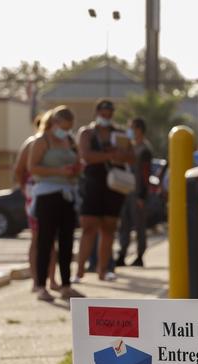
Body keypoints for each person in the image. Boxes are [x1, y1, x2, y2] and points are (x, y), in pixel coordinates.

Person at [26, 106, 83, 301]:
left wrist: (77, 168)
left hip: (68, 195)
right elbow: (32, 167)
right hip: (47, 195)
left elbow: (78, 161)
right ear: (55, 123)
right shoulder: (42, 141)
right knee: (45, 241)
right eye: (64, 126)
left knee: (67, 242)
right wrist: (59, 171)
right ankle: (41, 285)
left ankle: (66, 285)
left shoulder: (69, 141)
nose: (66, 130)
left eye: (69, 127)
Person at [74, 99, 134, 282]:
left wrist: (117, 154)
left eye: (110, 113)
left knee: (109, 229)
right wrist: (109, 155)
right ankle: (79, 271)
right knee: (89, 227)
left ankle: (103, 269)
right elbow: (86, 156)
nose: (106, 116)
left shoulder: (120, 134)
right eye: (103, 112)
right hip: (93, 185)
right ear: (97, 112)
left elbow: (131, 157)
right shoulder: (87, 133)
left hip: (114, 187)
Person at [13, 112, 59, 292]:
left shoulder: (57, 144)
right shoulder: (32, 143)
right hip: (36, 194)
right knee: (38, 237)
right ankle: (36, 279)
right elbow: (19, 169)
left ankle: (52, 279)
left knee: (51, 239)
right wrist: (26, 188)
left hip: (54, 191)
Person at [116, 117, 152, 268]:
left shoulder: (144, 149)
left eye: (131, 127)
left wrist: (142, 195)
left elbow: (145, 174)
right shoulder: (128, 146)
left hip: (137, 193)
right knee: (124, 224)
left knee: (139, 225)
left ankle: (139, 255)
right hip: (125, 190)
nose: (129, 130)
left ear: (139, 130)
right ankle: (122, 253)